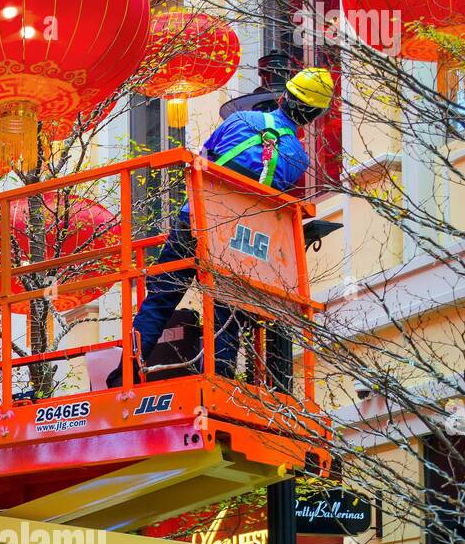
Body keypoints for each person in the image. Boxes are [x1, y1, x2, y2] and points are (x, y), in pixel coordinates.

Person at [108, 67, 335, 386]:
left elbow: (205, 159)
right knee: (228, 303)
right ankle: (222, 377)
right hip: (244, 237)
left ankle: (126, 375)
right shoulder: (299, 159)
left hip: (198, 220)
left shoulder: (240, 121)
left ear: (284, 97)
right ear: (311, 117)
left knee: (161, 296)